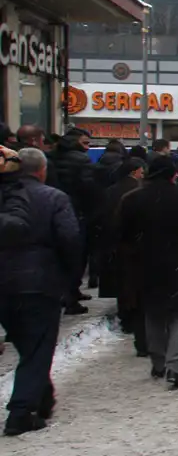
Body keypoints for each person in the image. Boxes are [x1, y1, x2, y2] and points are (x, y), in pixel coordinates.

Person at [1, 148, 81, 436]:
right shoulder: (53, 198)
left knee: (28, 345)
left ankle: (41, 396)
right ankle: (21, 412)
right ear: (42, 170)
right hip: (39, 282)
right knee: (37, 347)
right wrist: (69, 278)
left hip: (5, 283)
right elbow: (70, 239)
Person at [119, 155, 178, 389]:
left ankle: (158, 362)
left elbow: (121, 233)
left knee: (153, 314)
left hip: (145, 263)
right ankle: (175, 367)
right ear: (173, 175)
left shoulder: (132, 199)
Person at [48, 128, 98, 315]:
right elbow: (88, 187)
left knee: (60, 255)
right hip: (77, 211)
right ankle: (71, 296)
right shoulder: (81, 160)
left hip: (54, 209)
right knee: (76, 254)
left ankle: (65, 293)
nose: (88, 147)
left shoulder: (51, 156)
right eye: (85, 142)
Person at [95, 157, 145, 342]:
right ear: (134, 172)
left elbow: (104, 217)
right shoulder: (138, 191)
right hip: (137, 243)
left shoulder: (110, 191)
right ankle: (136, 318)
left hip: (118, 243)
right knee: (137, 283)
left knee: (123, 282)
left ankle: (126, 315)